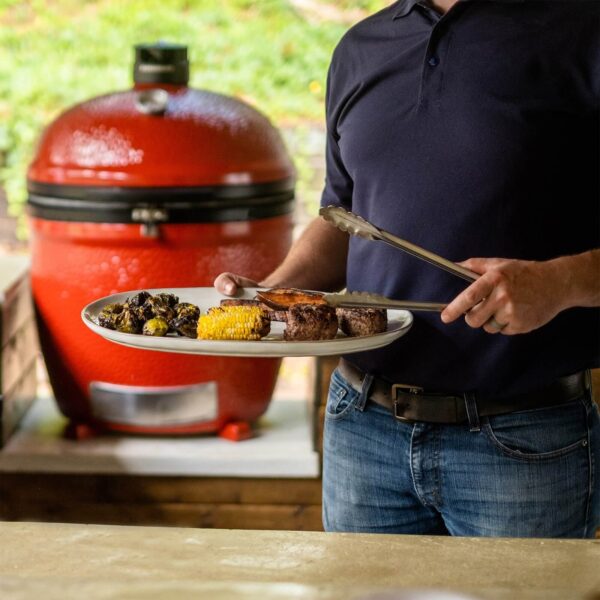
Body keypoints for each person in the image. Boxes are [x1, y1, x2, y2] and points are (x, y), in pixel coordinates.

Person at [215, 0, 600, 538]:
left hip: (521, 439)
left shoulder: (583, 32)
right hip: (362, 428)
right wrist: (275, 293)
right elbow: (344, 217)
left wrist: (558, 284)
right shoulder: (359, 48)